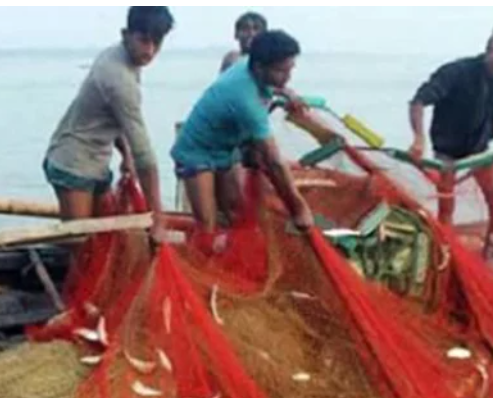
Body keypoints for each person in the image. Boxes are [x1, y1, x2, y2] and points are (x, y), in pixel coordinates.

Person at [43, 6, 174, 242]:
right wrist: (159, 218)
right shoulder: (118, 77)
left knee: (104, 241)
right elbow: (144, 154)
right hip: (73, 163)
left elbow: (115, 118)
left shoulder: (124, 57)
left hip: (98, 162)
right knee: (81, 246)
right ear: (126, 35)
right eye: (144, 41)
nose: (150, 51)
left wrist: (126, 155)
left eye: (157, 43)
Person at [408, 23, 493, 278]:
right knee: (447, 205)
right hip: (447, 152)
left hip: (478, 149)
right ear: (489, 49)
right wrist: (419, 139)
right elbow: (419, 101)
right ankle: (445, 255)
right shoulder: (457, 72)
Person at [171, 30, 315, 241]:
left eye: (290, 69)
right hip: (196, 152)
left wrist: (286, 91)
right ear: (259, 67)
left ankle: (228, 261)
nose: (287, 76)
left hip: (225, 150)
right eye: (280, 71)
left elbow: (272, 84)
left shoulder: (251, 65)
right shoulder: (246, 100)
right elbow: (273, 161)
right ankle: (202, 261)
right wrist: (299, 208)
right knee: (207, 225)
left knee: (235, 213)